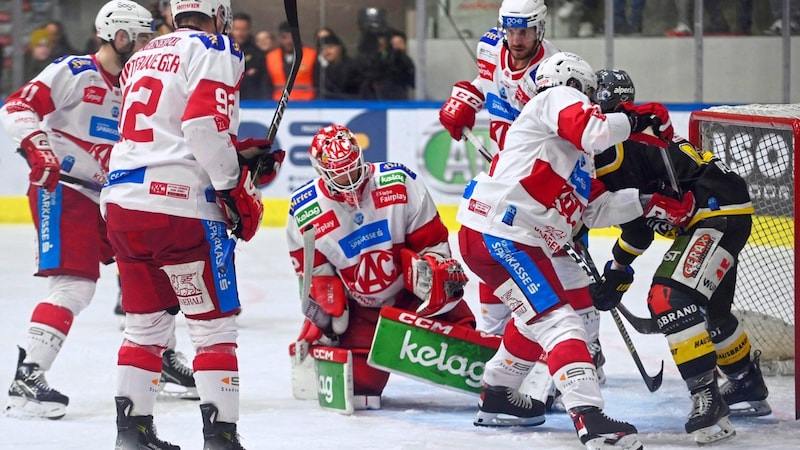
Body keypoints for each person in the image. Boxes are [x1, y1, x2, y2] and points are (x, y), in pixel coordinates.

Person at [456, 51, 685, 448]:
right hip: (503, 235)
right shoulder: (554, 97)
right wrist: (637, 119)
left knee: (534, 318)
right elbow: (596, 130)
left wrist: (647, 201)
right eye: (591, 96)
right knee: (562, 322)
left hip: (499, 237)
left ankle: (497, 394)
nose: (594, 104)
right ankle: (590, 419)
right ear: (575, 84)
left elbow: (592, 210)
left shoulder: (572, 154)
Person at [100, 0, 282, 448]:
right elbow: (201, 124)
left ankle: (133, 435)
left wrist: (236, 153)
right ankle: (220, 438)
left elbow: (168, 130)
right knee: (212, 326)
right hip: (180, 208)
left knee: (144, 327)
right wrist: (233, 186)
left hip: (125, 203)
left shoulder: (144, 53)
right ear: (218, 13)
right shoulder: (216, 45)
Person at [589, 69, 770, 445]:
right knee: (711, 311)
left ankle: (708, 399)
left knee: (670, 297)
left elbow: (639, 226)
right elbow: (640, 223)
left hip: (713, 213)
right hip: (721, 210)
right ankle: (746, 380)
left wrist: (616, 276)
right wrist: (617, 275)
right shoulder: (630, 138)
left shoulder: (618, 148)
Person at [0, 0, 154, 421]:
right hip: (64, 189)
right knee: (74, 287)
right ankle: (27, 376)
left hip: (112, 197)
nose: (147, 45)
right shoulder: (74, 71)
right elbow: (16, 107)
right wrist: (40, 146)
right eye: (140, 37)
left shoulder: (139, 83)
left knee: (152, 272)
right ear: (118, 36)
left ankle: (164, 360)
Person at [287, 124, 475, 408]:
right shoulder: (304, 211)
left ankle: (510, 371)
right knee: (360, 387)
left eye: (352, 169)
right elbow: (314, 275)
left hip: (412, 299)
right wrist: (324, 315)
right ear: (321, 172)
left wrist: (434, 268)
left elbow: (432, 240)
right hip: (363, 310)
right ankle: (324, 348)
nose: (350, 181)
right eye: (340, 175)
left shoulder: (398, 181)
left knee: (467, 342)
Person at [354, 11, 415, 100]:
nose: (379, 40)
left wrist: (399, 58)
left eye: (382, 36)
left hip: (396, 103)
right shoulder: (362, 59)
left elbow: (413, 81)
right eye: (375, 37)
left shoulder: (398, 58)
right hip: (368, 102)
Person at [265, 21, 317, 101]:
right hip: (278, 103)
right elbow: (265, 85)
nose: (289, 41)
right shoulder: (270, 57)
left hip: (307, 104)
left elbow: (319, 82)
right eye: (284, 37)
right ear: (279, 38)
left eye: (292, 37)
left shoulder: (312, 55)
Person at [232, 12, 267, 100]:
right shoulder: (223, 50)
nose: (240, 33)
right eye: (237, 29)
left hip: (251, 100)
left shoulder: (257, 52)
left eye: (244, 29)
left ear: (249, 30)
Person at [316, 32, 361, 100]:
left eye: (330, 47)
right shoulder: (321, 68)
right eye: (322, 49)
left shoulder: (352, 66)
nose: (327, 51)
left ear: (340, 48)